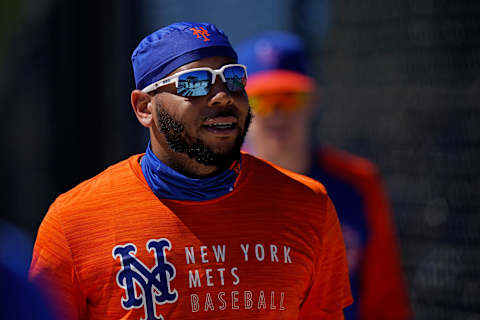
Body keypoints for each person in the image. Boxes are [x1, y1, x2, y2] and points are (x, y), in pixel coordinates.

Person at [29, 22, 352, 320]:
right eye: (195, 83)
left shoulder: (308, 205)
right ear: (145, 108)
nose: (223, 95)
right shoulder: (75, 221)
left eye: (234, 78)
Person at [237, 31, 411, 320]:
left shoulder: (357, 182)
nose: (278, 112)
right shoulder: (212, 189)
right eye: (262, 100)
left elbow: (385, 297)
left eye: (290, 97)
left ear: (313, 101)